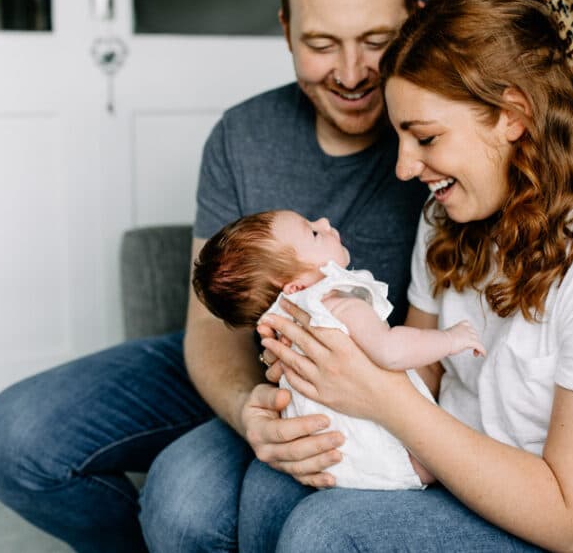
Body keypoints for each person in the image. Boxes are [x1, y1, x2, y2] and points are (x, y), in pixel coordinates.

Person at [0, 0, 428, 551]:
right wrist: (247, 413)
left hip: (353, 392)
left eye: (377, 40)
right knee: (10, 437)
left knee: (185, 504)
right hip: (239, 364)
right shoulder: (241, 135)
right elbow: (210, 329)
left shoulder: (438, 142)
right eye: (322, 44)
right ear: (286, 29)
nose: (352, 73)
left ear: (415, 17)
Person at [251, 0, 573, 552]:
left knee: (326, 532)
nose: (405, 168)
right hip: (461, 478)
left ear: (513, 115)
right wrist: (319, 377)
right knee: (270, 486)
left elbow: (572, 519)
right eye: (400, 137)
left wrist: (381, 399)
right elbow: (423, 372)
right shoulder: (449, 212)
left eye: (424, 137)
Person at [191, 209, 485, 489]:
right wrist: (451, 339)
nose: (324, 222)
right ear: (294, 288)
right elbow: (392, 351)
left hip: (329, 460)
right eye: (315, 233)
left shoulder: (287, 325)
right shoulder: (338, 306)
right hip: (387, 458)